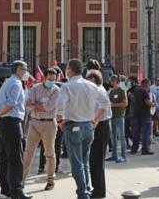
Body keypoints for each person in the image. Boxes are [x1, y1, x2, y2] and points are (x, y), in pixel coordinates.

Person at [56, 59, 99, 199]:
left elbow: (60, 105)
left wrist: (60, 121)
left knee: (76, 164)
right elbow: (104, 102)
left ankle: (83, 193)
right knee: (84, 161)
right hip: (88, 126)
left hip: (74, 125)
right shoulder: (92, 86)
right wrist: (95, 120)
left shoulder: (67, 86)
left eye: (67, 68)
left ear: (70, 70)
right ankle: (87, 188)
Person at [0, 61, 29, 199]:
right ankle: (17, 190)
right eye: (25, 69)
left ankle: (5, 189)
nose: (26, 72)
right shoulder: (16, 83)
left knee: (5, 158)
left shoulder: (7, 82)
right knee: (15, 158)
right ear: (18, 70)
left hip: (2, 123)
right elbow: (10, 104)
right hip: (12, 122)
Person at [22, 66, 59, 190]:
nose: (51, 82)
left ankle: (50, 180)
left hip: (49, 124)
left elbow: (48, 107)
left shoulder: (56, 90)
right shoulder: (35, 88)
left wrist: (36, 104)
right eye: (49, 79)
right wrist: (39, 105)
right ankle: (21, 180)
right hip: (34, 122)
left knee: (49, 153)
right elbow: (28, 104)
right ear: (44, 77)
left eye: (53, 79)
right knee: (28, 152)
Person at [86, 68, 112, 197]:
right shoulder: (96, 90)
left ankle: (99, 190)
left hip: (101, 125)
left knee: (97, 159)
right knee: (94, 159)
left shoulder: (99, 90)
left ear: (93, 80)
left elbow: (105, 106)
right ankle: (97, 188)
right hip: (98, 124)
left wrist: (95, 121)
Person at [129, 78, 154, 155]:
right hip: (145, 114)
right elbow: (148, 103)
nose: (149, 87)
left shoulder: (136, 90)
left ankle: (134, 149)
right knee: (145, 132)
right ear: (146, 84)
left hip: (137, 113)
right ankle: (145, 149)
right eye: (149, 85)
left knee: (136, 132)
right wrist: (153, 104)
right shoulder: (144, 91)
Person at [107, 76, 128, 162]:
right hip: (112, 116)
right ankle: (114, 155)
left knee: (121, 137)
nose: (111, 82)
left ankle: (123, 156)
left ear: (116, 81)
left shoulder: (122, 91)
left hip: (119, 116)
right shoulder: (111, 92)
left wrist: (113, 105)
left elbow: (125, 103)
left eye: (112, 80)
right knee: (113, 137)